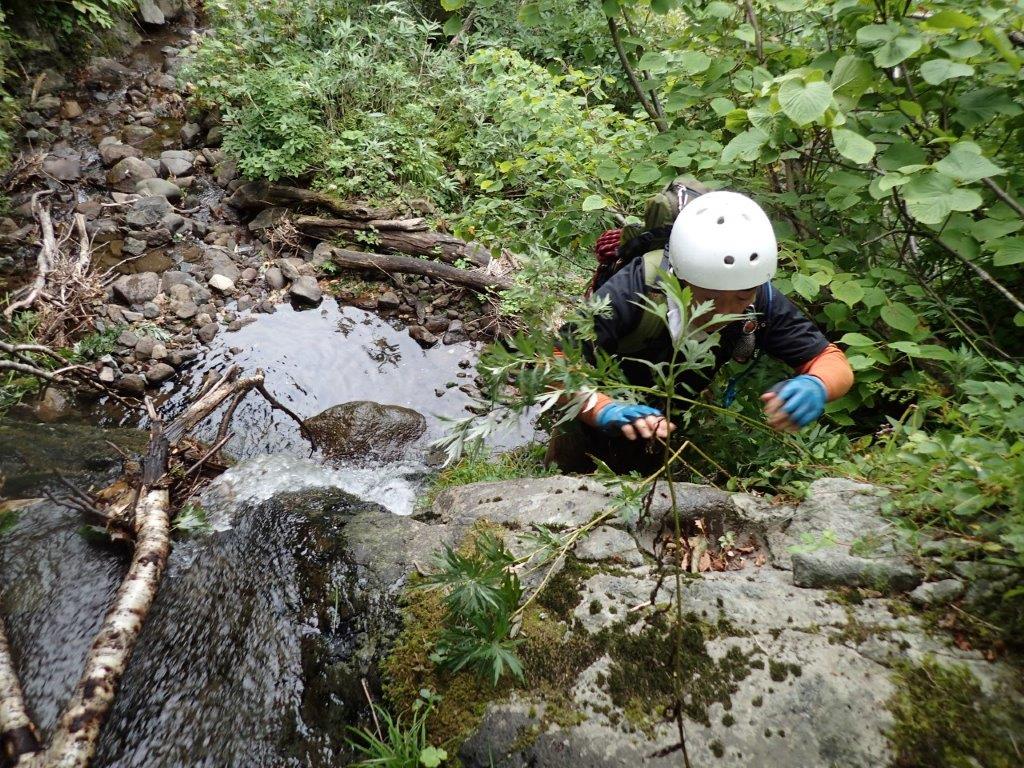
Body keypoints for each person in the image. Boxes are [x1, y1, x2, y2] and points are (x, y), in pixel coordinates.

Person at [545, 188, 854, 475]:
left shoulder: (763, 298)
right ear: (680, 278)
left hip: (670, 414)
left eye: (742, 297)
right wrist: (602, 409)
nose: (727, 310)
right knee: (569, 477)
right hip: (597, 398)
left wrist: (817, 384)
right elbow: (556, 361)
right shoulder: (634, 288)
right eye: (710, 298)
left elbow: (831, 360)